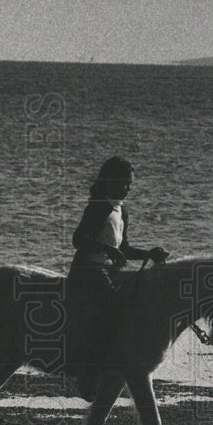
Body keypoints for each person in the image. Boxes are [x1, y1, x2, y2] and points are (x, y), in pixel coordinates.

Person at [67, 156, 168, 401]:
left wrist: (149, 254)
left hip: (108, 270)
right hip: (89, 270)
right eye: (124, 183)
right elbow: (78, 239)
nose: (128, 189)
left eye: (130, 184)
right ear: (110, 181)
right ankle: (87, 369)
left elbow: (124, 248)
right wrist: (108, 250)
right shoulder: (99, 206)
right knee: (113, 309)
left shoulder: (122, 209)